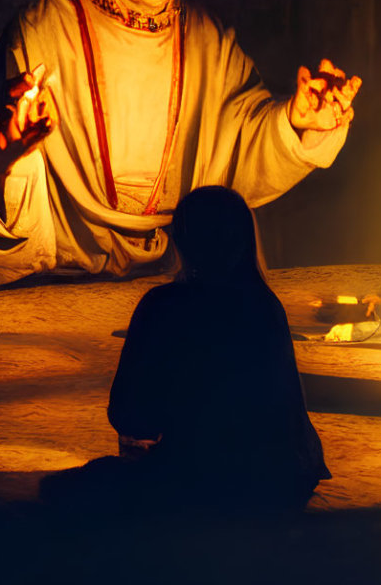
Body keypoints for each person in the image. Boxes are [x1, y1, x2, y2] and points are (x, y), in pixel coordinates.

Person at [0, 0, 360, 287]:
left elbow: (241, 146)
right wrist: (8, 152)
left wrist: (295, 120)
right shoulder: (45, 28)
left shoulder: (207, 39)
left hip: (174, 273)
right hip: (59, 275)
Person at [41, 186, 329, 512]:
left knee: (61, 491)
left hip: (208, 479)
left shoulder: (165, 305)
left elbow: (130, 416)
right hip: (286, 477)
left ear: (180, 239)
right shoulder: (265, 305)